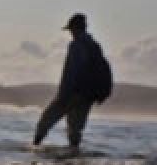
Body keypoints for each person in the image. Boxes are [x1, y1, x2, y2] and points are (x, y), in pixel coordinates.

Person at [32, 13, 110, 153]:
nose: (70, 33)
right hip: (88, 95)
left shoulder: (76, 45)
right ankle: (74, 156)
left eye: (71, 29)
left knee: (46, 120)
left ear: (75, 28)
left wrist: (63, 95)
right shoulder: (94, 46)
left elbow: (71, 72)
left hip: (73, 93)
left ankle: (34, 149)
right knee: (75, 128)